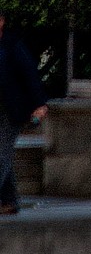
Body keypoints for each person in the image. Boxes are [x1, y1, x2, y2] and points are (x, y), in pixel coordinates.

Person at [0, 14, 46, 217]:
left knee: (2, 153)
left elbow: (30, 74)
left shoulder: (12, 46)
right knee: (3, 156)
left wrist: (39, 104)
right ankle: (9, 201)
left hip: (10, 110)